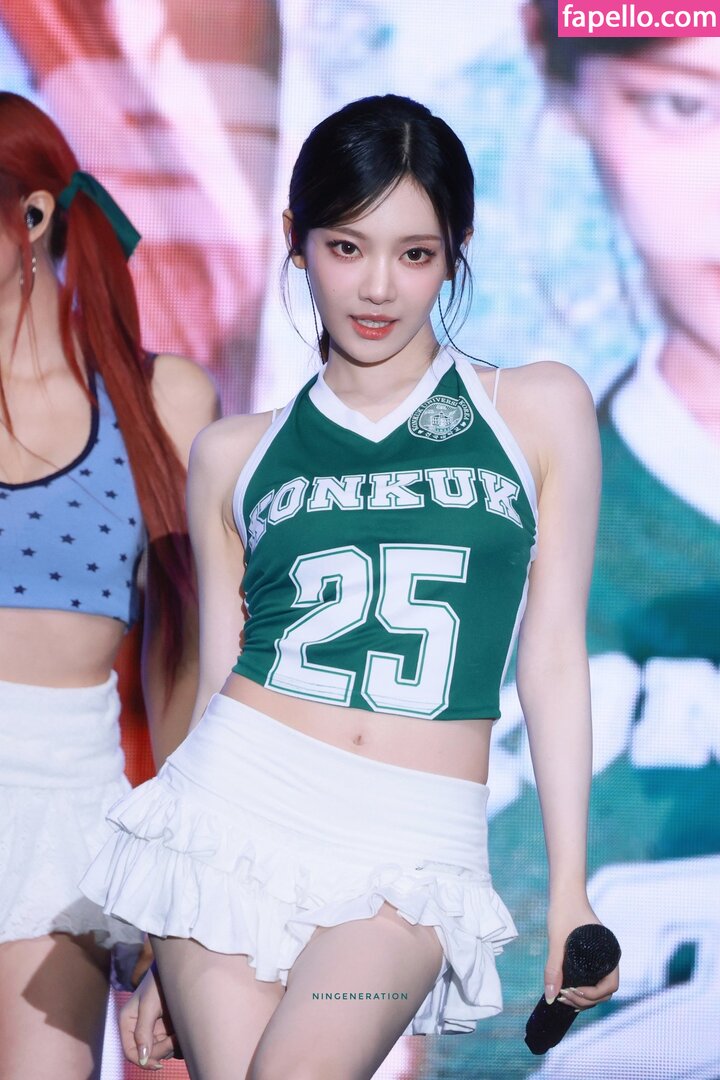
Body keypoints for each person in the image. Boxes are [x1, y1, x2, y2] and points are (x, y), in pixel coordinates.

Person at [81, 94, 618, 1079]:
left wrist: (572, 894)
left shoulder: (536, 408)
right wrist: (163, 932)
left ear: (456, 252)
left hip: (410, 857)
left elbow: (550, 658)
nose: (378, 286)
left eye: (415, 253)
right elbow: (215, 681)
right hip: (225, 823)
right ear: (296, 241)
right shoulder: (233, 453)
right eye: (345, 246)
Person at [0, 92, 219, 1080]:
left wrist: (180, 900)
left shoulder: (161, 399)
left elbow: (184, 669)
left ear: (33, 215)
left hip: (66, 807)